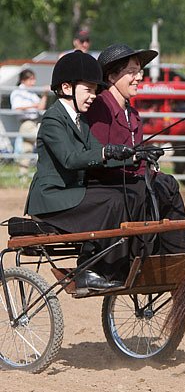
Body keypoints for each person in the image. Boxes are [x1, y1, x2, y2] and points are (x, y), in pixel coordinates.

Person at [24, 51, 143, 292]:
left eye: (95, 90)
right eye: (88, 90)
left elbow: (99, 154)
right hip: (51, 197)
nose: (93, 96)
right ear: (67, 88)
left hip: (73, 193)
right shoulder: (53, 120)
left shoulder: (81, 121)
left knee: (122, 195)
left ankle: (117, 266)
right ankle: (89, 268)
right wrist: (106, 152)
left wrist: (132, 156)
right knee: (112, 201)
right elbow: (70, 159)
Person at [87, 43, 185, 254]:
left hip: (129, 177)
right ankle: (143, 253)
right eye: (131, 72)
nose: (139, 77)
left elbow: (136, 154)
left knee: (168, 184)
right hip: (105, 181)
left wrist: (146, 157)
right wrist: (134, 160)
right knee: (144, 190)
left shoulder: (132, 113)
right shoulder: (99, 107)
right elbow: (98, 155)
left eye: (139, 72)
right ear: (111, 77)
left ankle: (176, 257)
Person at [9, 69, 47, 175]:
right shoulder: (17, 92)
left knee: (27, 150)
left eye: (33, 79)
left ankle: (23, 175)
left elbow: (40, 107)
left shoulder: (31, 93)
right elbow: (16, 108)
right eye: (31, 79)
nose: (33, 82)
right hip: (26, 123)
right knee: (44, 137)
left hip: (34, 121)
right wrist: (33, 106)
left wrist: (44, 94)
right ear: (23, 80)